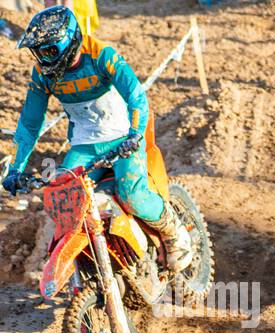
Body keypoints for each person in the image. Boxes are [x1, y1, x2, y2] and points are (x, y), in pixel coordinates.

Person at [2, 4, 191, 270]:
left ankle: (173, 230)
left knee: (132, 195)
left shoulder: (101, 55)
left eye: (48, 51)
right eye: (38, 52)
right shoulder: (42, 74)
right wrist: (17, 169)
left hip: (123, 135)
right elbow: (30, 123)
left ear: (68, 43)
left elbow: (136, 97)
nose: (42, 59)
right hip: (85, 144)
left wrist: (135, 135)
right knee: (65, 203)